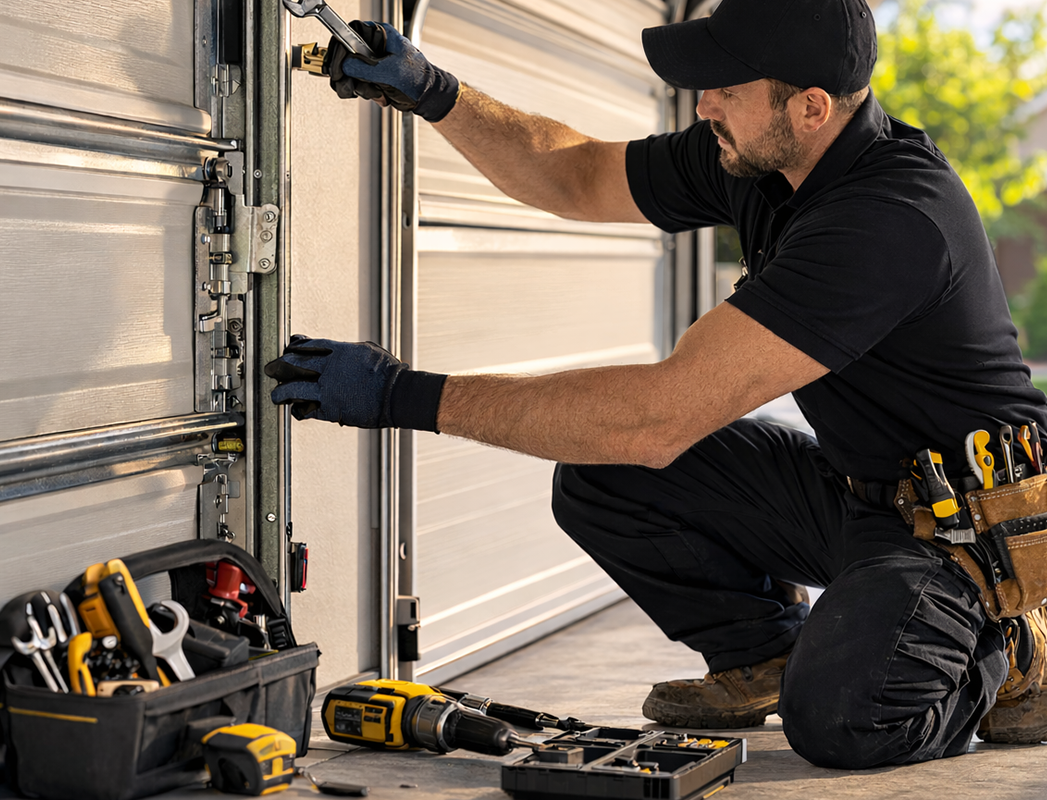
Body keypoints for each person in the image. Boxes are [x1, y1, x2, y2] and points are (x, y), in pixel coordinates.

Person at [265, 0, 1047, 768]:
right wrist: (434, 92)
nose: (703, 105)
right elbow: (576, 175)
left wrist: (400, 394)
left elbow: (652, 418)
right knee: (605, 473)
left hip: (972, 534)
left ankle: (1009, 644)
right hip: (861, 498)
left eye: (726, 89)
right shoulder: (765, 158)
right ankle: (763, 652)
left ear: (810, 107)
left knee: (847, 718)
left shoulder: (886, 218)